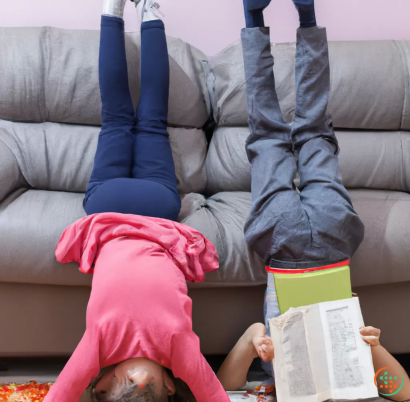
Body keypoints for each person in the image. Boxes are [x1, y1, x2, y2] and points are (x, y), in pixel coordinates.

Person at [43, 1, 230, 401]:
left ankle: (148, 13)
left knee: (143, 118)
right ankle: (120, 12)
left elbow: (213, 395)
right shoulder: (137, 347)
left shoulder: (156, 352)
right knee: (122, 116)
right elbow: (214, 395)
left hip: (140, 206)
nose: (137, 383)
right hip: (127, 206)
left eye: (122, 388)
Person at [240, 0, 365, 384]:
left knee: (311, 132)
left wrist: (258, 344)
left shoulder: (280, 374)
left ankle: (302, 19)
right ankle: (256, 18)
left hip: (313, 239)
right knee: (271, 135)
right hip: (291, 238)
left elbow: (229, 385)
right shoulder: (295, 375)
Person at [217, 323, 410, 401]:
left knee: (220, 393)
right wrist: (374, 349)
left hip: (281, 383)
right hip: (336, 378)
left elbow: (222, 390)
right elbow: (403, 393)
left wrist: (251, 340)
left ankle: (252, 339)